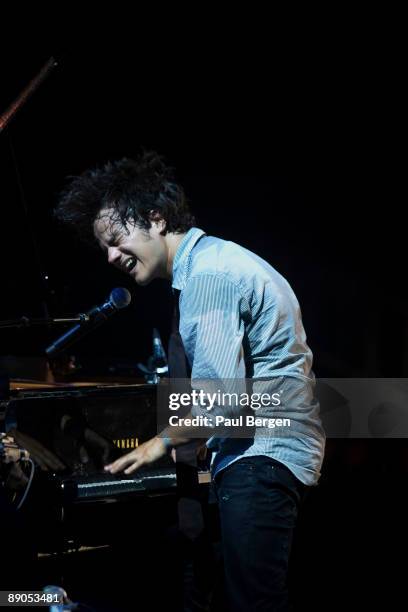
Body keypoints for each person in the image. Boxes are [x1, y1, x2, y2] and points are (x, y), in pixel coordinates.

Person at [55, 151, 325, 611]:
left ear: (156, 219)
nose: (110, 256)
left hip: (261, 454)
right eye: (103, 247)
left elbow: (219, 400)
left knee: (254, 603)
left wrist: (159, 443)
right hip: (258, 452)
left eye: (117, 239)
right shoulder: (210, 265)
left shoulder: (210, 274)